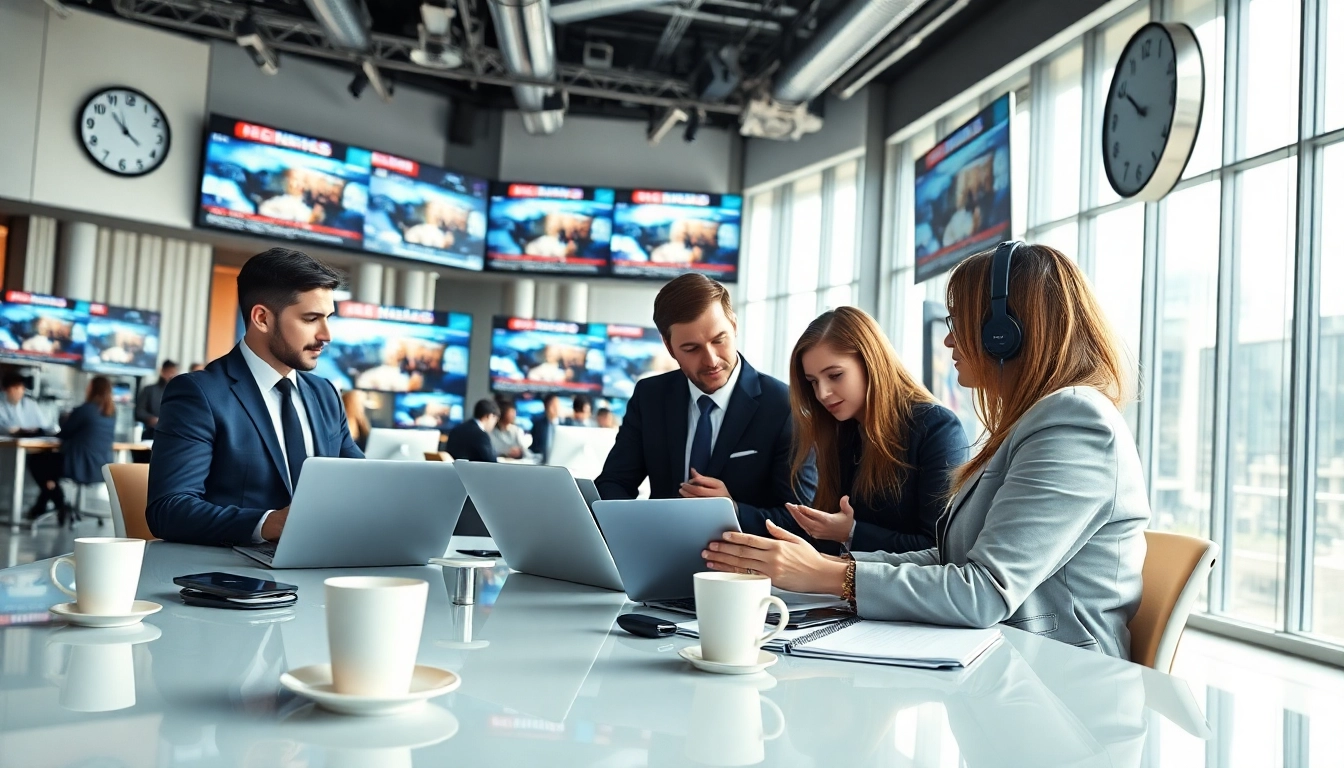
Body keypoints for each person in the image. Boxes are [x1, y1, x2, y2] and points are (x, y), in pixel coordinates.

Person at [703, 243, 1150, 660]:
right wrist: (824, 565)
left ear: (1003, 334)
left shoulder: (1073, 422)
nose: (948, 341)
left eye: (959, 323)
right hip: (1007, 663)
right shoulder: (1033, 422)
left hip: (1063, 681)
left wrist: (831, 576)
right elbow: (952, 559)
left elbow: (984, 592)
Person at [146, 247, 364, 547]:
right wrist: (270, 523)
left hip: (323, 559)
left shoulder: (325, 393)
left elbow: (362, 483)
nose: (326, 335)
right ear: (262, 318)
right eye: (311, 318)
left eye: (328, 318)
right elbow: (169, 510)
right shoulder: (199, 394)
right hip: (236, 568)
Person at [596, 273, 816, 535]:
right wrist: (631, 530)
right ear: (669, 347)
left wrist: (733, 510)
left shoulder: (784, 407)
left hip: (743, 557)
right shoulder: (650, 396)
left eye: (719, 340)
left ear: (734, 325)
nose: (711, 360)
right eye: (692, 348)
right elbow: (614, 482)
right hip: (659, 546)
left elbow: (801, 522)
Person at [783, 307, 967, 555]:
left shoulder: (937, 428)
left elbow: (940, 548)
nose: (822, 393)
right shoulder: (841, 432)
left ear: (871, 363)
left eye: (835, 375)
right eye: (813, 382)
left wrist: (850, 533)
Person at [57, 376, 118, 525]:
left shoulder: (85, 410)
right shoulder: (112, 412)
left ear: (92, 389)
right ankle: (57, 502)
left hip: (78, 464)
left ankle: (58, 501)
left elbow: (64, 433)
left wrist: (65, 419)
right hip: (101, 465)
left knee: (37, 462)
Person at [0, 372, 61, 519]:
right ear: (6, 389)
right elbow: (6, 428)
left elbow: (46, 425)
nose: (20, 391)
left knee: (49, 468)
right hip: (10, 451)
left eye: (22, 388)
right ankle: (59, 504)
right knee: (46, 472)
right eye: (16, 388)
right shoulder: (1, 405)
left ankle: (51, 505)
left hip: (36, 449)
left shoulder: (30, 404)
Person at [530, 393, 561, 463]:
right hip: (541, 462)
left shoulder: (565, 424)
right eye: (552, 405)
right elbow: (534, 446)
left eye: (557, 405)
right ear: (546, 406)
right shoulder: (538, 424)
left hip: (561, 462)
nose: (556, 408)